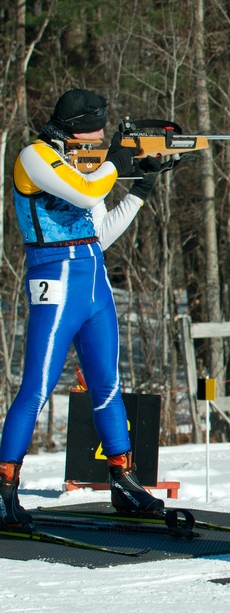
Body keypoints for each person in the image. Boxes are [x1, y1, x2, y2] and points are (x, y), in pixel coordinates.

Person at [0, 88, 166, 531]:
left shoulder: (82, 163)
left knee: (108, 386)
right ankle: (4, 489)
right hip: (54, 279)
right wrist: (118, 163)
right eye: (96, 133)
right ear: (77, 129)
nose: (98, 142)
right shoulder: (34, 157)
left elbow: (99, 232)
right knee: (36, 387)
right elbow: (87, 192)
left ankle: (123, 481)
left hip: (93, 280)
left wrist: (139, 190)